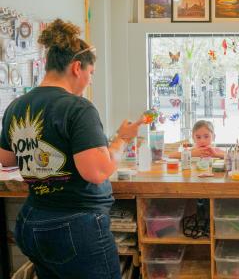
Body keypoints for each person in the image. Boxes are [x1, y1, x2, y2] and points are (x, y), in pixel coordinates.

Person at [0, 19, 143, 279]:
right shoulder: (77, 107)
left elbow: (7, 158)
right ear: (77, 67)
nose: (89, 81)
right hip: (74, 225)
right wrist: (122, 139)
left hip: (32, 219)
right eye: (91, 74)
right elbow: (97, 172)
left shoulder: (16, 106)